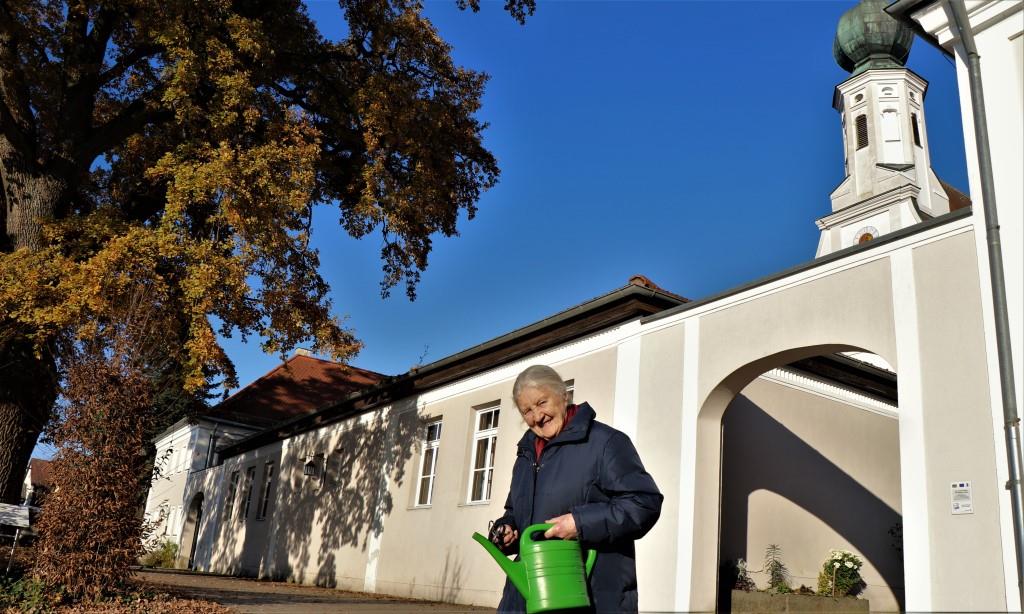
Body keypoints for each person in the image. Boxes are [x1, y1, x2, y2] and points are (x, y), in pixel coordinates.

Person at [488, 364, 662, 613]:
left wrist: (580, 524)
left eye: (542, 402)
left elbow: (644, 503)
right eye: (527, 410)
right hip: (527, 600)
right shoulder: (525, 455)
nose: (537, 416)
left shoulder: (606, 443)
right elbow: (516, 510)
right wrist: (508, 530)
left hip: (591, 598)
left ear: (564, 395)